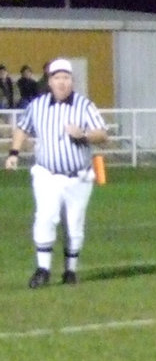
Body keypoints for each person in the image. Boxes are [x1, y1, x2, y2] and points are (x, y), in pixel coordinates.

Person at [3, 58, 108, 287]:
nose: (62, 82)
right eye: (57, 77)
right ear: (49, 81)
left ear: (72, 81)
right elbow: (22, 128)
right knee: (45, 217)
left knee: (74, 224)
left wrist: (84, 134)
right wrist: (14, 153)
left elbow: (102, 134)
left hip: (78, 176)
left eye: (66, 78)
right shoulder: (37, 105)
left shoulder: (84, 105)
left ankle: (70, 270)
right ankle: (43, 269)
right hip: (47, 174)